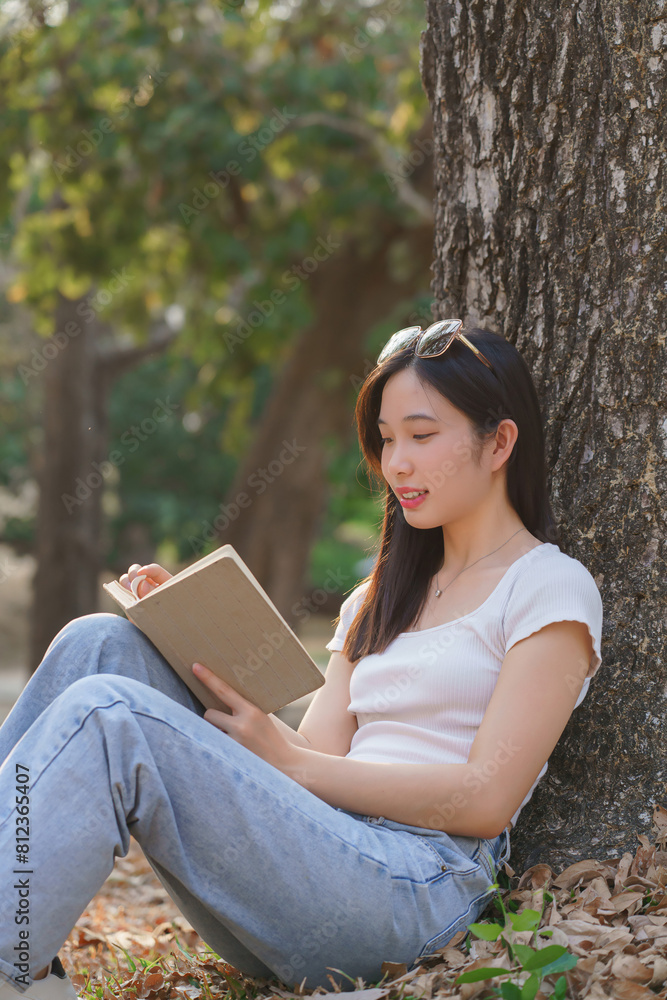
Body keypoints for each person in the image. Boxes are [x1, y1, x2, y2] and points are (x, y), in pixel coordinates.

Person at [0, 320, 603, 1000]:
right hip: (316, 858)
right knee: (98, 645)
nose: (395, 463)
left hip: (417, 889)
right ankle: (20, 959)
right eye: (386, 439)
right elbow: (310, 754)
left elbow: (486, 799)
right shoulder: (379, 596)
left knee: (109, 715)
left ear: (499, 442)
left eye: (421, 435)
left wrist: (293, 765)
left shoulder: (547, 587)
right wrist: (187, 632)